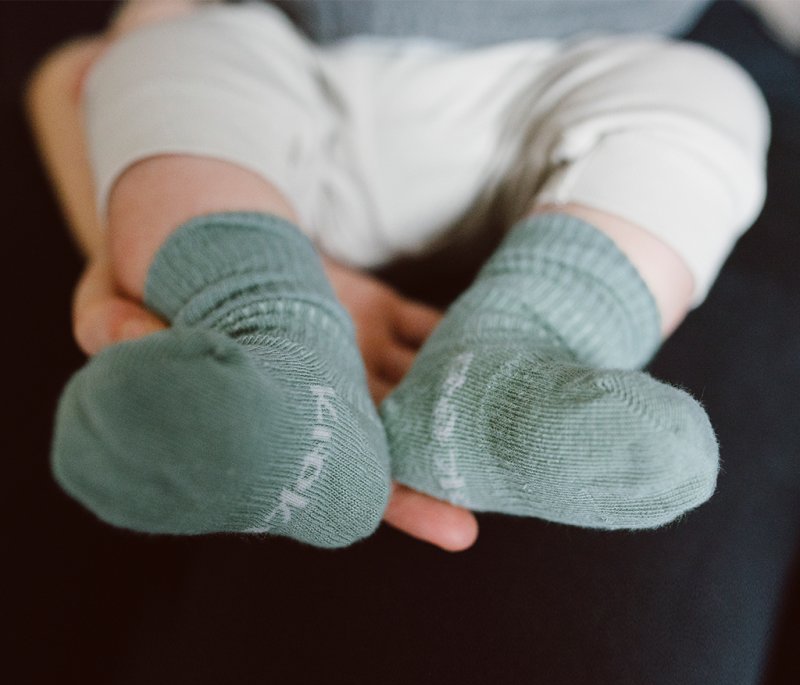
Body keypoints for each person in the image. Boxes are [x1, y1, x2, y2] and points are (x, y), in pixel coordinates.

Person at [29, 0, 770, 550]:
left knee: (706, 97)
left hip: (563, 84)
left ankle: (514, 373)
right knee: (169, 60)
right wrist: (145, 42)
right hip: (290, 66)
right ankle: (270, 369)